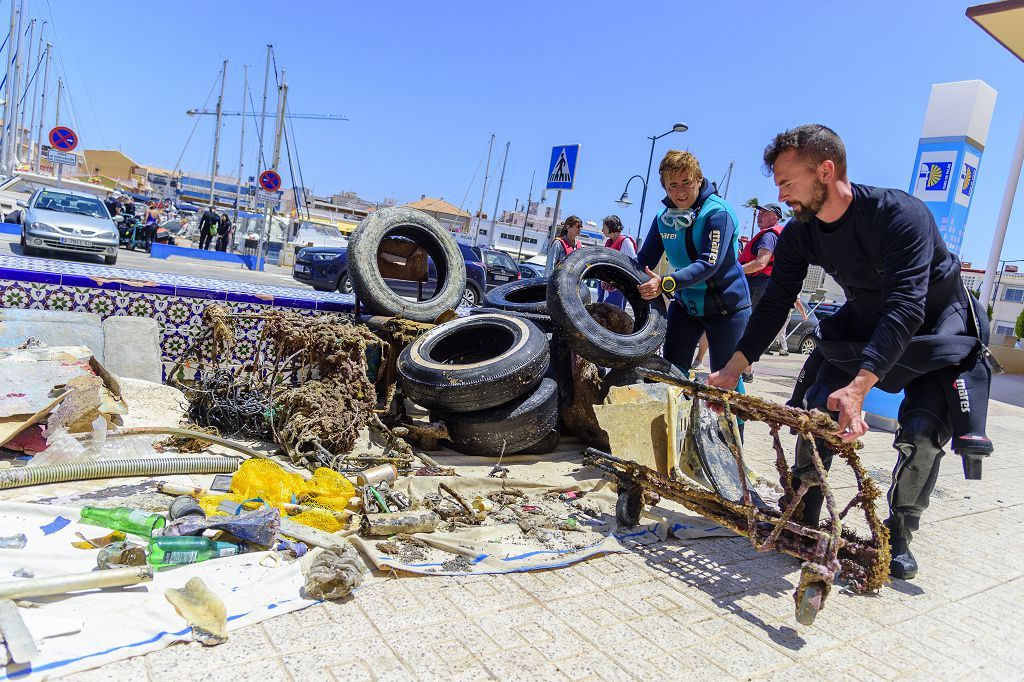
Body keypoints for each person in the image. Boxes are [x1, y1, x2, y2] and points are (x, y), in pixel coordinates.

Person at [708, 124, 994, 579]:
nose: (781, 195)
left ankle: (899, 531)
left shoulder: (900, 215)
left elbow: (906, 307)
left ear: (825, 170)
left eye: (787, 182)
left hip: (936, 326)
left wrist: (860, 387)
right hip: (866, 318)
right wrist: (731, 369)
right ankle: (806, 506)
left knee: (921, 431)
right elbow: (775, 304)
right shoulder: (800, 232)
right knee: (815, 411)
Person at [636, 150, 751, 380]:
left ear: (699, 179)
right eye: (672, 185)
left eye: (686, 182)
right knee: (670, 375)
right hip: (686, 306)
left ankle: (735, 418)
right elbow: (643, 260)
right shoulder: (662, 218)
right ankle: (676, 416)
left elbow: (709, 264)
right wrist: (614, 275)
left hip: (726, 309)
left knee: (724, 381)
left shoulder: (718, 213)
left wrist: (666, 283)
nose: (680, 192)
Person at [598, 215, 637, 309]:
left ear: (611, 226)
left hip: (619, 288)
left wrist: (617, 284)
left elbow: (634, 265)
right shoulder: (608, 243)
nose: (602, 230)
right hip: (606, 287)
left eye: (604, 227)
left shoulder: (626, 242)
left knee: (613, 317)